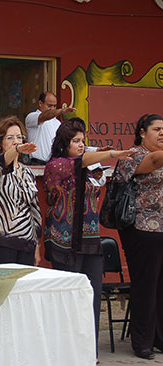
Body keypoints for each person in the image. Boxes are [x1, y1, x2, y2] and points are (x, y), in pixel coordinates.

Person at [43, 119, 133, 359]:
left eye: (83, 141)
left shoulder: (90, 169)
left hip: (91, 239)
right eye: (75, 141)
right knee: (69, 298)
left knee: (91, 296)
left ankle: (89, 353)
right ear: (64, 144)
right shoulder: (56, 165)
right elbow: (77, 163)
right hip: (65, 240)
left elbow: (89, 168)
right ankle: (65, 353)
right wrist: (113, 153)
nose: (81, 145)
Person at [114, 113, 163, 360]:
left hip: (162, 229)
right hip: (142, 229)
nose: (162, 133)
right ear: (142, 133)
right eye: (157, 129)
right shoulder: (133, 156)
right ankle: (142, 341)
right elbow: (154, 162)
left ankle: (158, 338)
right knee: (146, 285)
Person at [0, 116, 41, 265]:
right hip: (1, 243)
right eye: (10, 138)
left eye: (19, 137)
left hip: (27, 244)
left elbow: (34, 209)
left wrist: (36, 244)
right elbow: (2, 163)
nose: (16, 141)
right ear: (0, 142)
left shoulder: (28, 172)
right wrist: (16, 150)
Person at [25, 92, 76, 165]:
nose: (52, 108)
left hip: (54, 163)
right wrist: (61, 111)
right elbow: (44, 116)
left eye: (54, 106)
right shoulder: (32, 117)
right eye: (49, 105)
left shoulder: (57, 123)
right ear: (40, 103)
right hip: (37, 163)